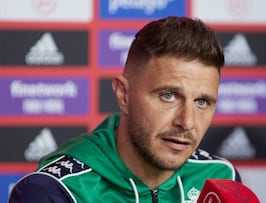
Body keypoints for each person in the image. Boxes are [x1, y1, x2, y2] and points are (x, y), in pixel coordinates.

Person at [9, 16, 241, 203]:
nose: (187, 121)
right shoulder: (57, 191)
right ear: (123, 95)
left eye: (202, 102)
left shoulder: (220, 178)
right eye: (168, 96)